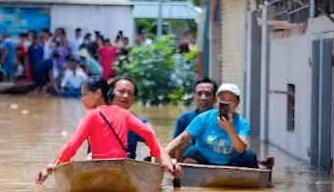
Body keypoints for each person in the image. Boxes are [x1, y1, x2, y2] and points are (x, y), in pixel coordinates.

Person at [36, 77, 176, 184]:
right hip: (123, 169)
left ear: (97, 94)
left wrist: (58, 166)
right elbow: (149, 134)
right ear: (111, 93)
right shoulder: (125, 114)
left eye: (85, 94)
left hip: (98, 169)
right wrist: (156, 157)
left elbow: (72, 145)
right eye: (121, 92)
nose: (82, 99)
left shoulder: (92, 115)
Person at [165, 83, 272, 168]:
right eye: (222, 99)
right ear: (217, 100)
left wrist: (230, 129)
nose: (226, 102)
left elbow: (241, 149)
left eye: (230, 100)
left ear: (237, 103)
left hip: (231, 160)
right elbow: (183, 137)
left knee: (249, 156)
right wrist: (164, 153)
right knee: (192, 152)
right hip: (204, 158)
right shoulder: (204, 118)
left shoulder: (242, 123)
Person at [111, 77, 152, 159]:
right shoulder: (95, 117)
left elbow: (155, 143)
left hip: (127, 168)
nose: (126, 96)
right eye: (121, 92)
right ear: (110, 93)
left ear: (133, 98)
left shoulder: (140, 121)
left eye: (130, 93)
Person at [173, 78, 217, 143]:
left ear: (215, 98)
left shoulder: (221, 119)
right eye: (199, 93)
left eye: (208, 94)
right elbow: (175, 145)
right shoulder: (184, 119)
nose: (203, 97)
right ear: (193, 97)